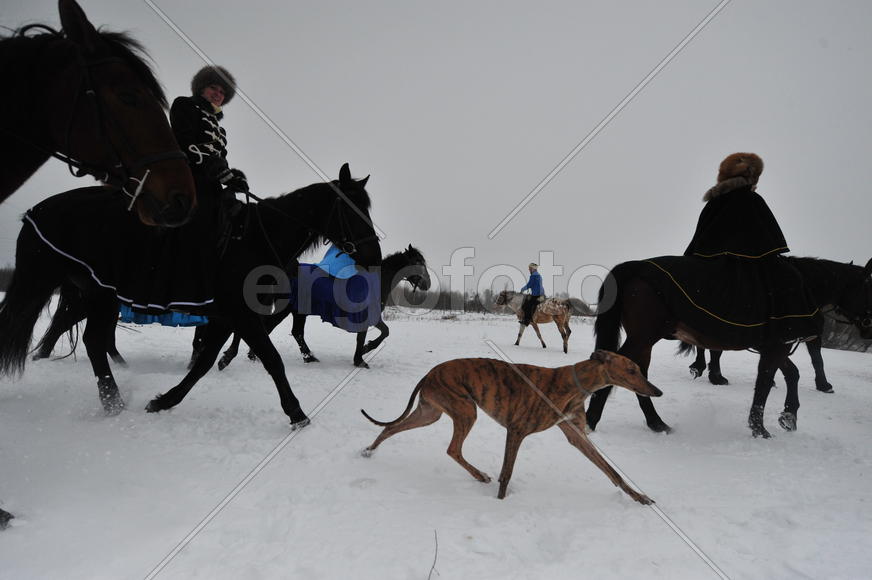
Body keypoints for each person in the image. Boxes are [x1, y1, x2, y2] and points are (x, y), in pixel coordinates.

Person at [684, 152, 818, 342]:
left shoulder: (715, 201)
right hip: (746, 259)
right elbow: (766, 234)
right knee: (791, 276)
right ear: (751, 177)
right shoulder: (751, 199)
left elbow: (704, 233)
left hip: (709, 257)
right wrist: (770, 251)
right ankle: (791, 327)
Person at [170, 66, 249, 216]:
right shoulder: (184, 104)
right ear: (201, 89)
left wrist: (233, 177)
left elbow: (221, 159)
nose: (218, 94)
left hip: (210, 182)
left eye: (222, 92)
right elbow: (183, 142)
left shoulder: (220, 131)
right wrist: (216, 168)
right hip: (185, 177)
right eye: (213, 88)